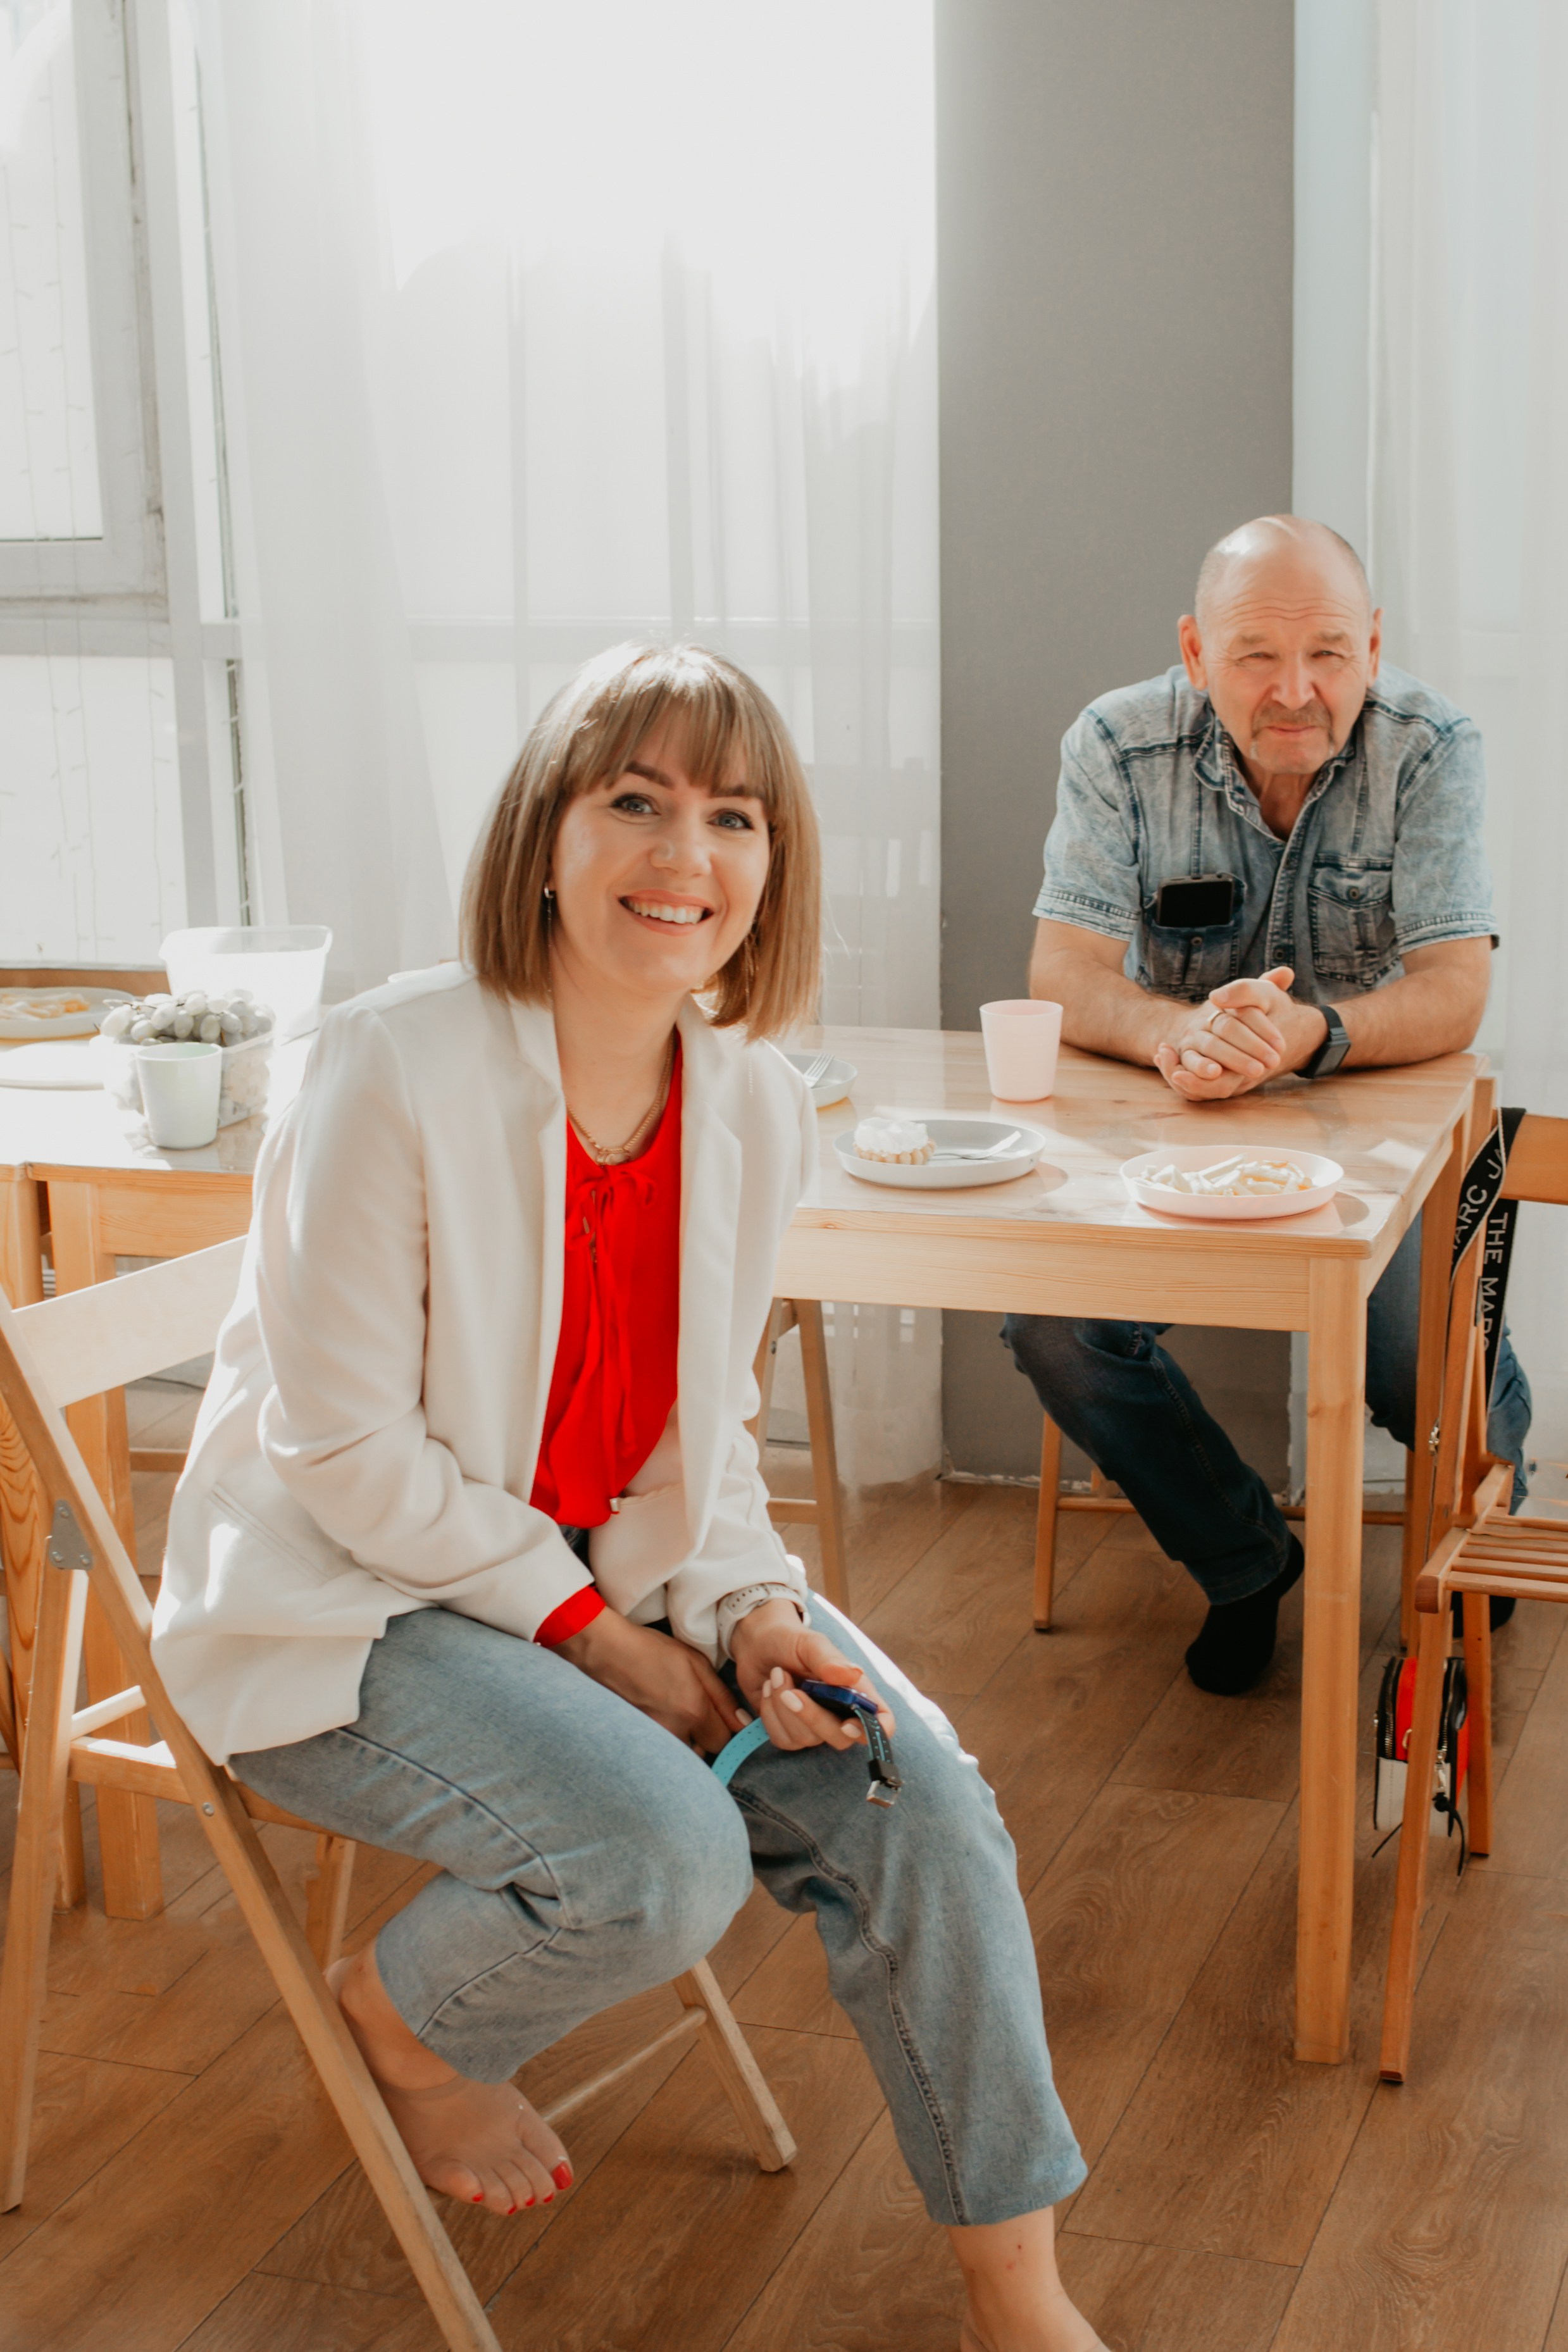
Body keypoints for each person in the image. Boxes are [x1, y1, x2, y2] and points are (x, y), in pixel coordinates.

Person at [152, 644, 1107, 2352]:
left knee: (922, 1794)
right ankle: (410, 2020)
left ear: (770, 866)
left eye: (731, 815)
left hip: (590, 1580)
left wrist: (743, 1613)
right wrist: (598, 1637)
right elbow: (345, 1452)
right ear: (544, 837)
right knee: (660, 1855)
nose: (688, 853)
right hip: (347, 1597)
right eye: (637, 801)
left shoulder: (745, 1103)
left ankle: (1016, 2295)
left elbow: (702, 1437)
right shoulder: (387, 1064)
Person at [1006, 516, 1531, 1696]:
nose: (1295, 691)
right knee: (1054, 1331)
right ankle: (1244, 1562)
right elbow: (1064, 971)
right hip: (1174, 1145)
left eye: (1329, 654)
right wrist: (1168, 1030)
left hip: (1379, 1140)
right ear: (1195, 651)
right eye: (1254, 655)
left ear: (1373, 647)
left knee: (1419, 1367)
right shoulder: (1114, 742)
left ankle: (1496, 1474)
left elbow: (1455, 989)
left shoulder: (1433, 745)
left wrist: (1316, 1033)